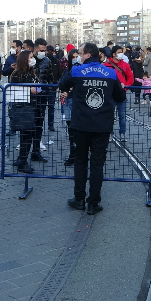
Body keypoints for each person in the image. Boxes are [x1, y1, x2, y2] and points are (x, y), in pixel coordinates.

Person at [58, 43, 127, 215]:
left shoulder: (77, 70)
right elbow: (120, 96)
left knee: (80, 161)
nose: (79, 56)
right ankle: (93, 202)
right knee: (97, 164)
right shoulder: (110, 72)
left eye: (80, 54)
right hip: (102, 124)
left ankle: (79, 199)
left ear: (88, 54)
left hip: (81, 123)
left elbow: (62, 85)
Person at [9, 51, 42, 174]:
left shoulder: (31, 72)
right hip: (23, 108)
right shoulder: (18, 73)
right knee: (26, 136)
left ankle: (21, 158)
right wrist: (29, 90)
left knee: (27, 136)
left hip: (32, 107)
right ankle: (22, 162)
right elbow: (14, 89)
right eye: (31, 57)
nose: (33, 59)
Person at [103, 44, 134, 142]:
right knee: (109, 115)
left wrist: (125, 87)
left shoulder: (125, 65)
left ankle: (122, 133)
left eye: (122, 52)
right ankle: (110, 133)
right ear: (113, 54)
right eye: (119, 52)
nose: (121, 54)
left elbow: (130, 77)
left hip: (121, 93)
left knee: (122, 115)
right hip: (110, 94)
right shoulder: (106, 65)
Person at [61, 48, 81, 166]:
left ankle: (79, 155)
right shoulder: (67, 70)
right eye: (72, 57)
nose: (75, 59)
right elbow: (62, 83)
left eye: (76, 56)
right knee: (71, 131)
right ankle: (72, 155)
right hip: (69, 103)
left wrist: (70, 91)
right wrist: (66, 91)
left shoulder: (83, 70)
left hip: (78, 104)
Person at [34, 38, 58, 135]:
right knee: (30, 119)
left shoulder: (47, 60)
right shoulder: (30, 60)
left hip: (43, 93)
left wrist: (49, 88)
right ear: (35, 49)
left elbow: (50, 76)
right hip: (31, 94)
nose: (43, 53)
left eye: (44, 51)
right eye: (41, 51)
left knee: (40, 118)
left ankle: (37, 144)